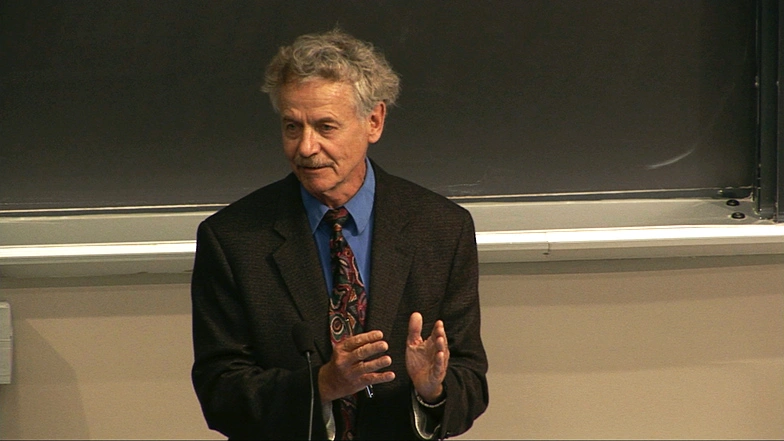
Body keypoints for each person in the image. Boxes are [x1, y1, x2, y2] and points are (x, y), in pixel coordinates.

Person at [191, 29, 488, 440]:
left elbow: (470, 378)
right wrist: (322, 385)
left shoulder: (440, 229)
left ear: (374, 121)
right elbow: (219, 391)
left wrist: (432, 390)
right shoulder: (234, 239)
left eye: (325, 127)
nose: (306, 147)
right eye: (292, 127)